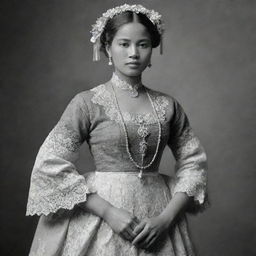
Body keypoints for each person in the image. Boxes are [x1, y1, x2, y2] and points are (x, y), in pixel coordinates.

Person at [26, 4, 208, 256]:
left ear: (152, 49)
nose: (133, 53)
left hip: (157, 219)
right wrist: (108, 212)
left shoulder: (168, 106)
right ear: (107, 47)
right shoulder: (87, 103)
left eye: (142, 44)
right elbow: (48, 163)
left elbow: (193, 164)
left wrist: (165, 219)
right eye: (124, 44)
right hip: (101, 217)